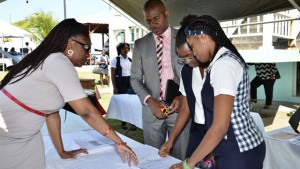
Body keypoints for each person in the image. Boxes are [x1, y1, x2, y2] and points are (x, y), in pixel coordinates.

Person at [0, 18, 138, 169]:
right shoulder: (58, 61)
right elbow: (87, 112)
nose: (88, 54)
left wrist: (61, 151)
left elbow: (52, 113)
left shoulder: (51, 59)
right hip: (6, 136)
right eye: (86, 47)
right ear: (70, 43)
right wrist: (119, 142)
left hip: (27, 137)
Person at [170, 15, 266, 169]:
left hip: (238, 151)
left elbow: (220, 127)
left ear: (203, 37)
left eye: (192, 46)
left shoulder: (223, 65)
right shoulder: (220, 62)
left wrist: (188, 164)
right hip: (234, 149)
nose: (193, 54)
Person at [130, 0, 190, 160]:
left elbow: (195, 72)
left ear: (166, 13)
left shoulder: (184, 37)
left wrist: (183, 97)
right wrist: (150, 101)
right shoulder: (140, 45)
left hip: (179, 109)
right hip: (152, 111)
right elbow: (135, 79)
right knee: (152, 158)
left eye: (156, 18)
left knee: (180, 158)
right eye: (148, 21)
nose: (152, 24)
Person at [159, 15, 213, 168]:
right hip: (198, 131)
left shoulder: (217, 69)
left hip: (219, 132)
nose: (188, 62)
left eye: (190, 56)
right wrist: (170, 141)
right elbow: (186, 107)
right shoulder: (187, 72)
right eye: (183, 59)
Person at [111, 42, 136, 130]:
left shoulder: (130, 60)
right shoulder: (116, 60)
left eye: (127, 48)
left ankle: (132, 123)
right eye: (123, 48)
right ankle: (123, 123)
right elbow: (113, 75)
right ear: (120, 50)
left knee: (131, 103)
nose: (126, 50)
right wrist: (115, 87)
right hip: (120, 83)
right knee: (123, 103)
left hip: (129, 82)